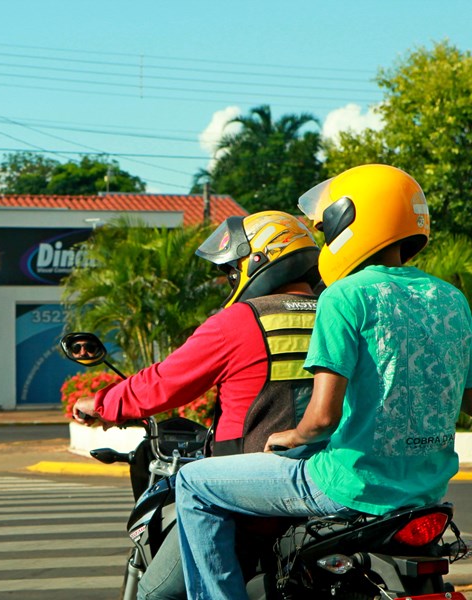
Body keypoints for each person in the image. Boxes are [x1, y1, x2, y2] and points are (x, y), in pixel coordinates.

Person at [174, 164, 472, 600]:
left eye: (329, 223)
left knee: (194, 484)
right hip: (426, 492)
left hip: (347, 487)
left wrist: (286, 436)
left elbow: (322, 419)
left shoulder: (344, 296)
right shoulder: (452, 299)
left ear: (353, 219)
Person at [72, 210, 323, 600]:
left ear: (257, 263)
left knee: (156, 592)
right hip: (329, 485)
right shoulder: (337, 312)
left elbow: (164, 383)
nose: (230, 279)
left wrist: (102, 404)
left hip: (251, 497)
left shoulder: (240, 322)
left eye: (231, 270)